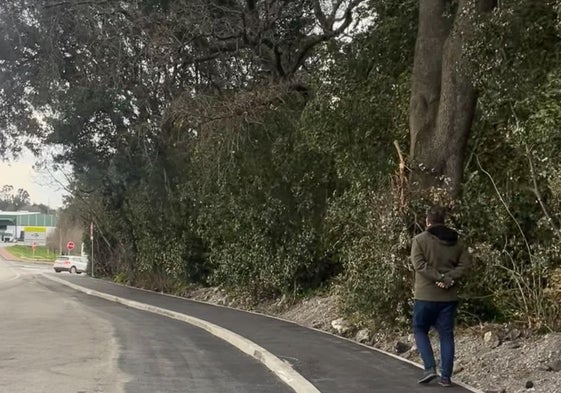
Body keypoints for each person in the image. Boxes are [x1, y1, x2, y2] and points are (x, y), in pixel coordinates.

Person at [411, 206, 472, 387]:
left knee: (419, 329)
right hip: (448, 298)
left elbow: (419, 265)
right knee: (446, 335)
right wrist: (448, 278)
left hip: (425, 295)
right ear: (443, 222)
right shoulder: (457, 243)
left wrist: (439, 277)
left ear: (427, 221)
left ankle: (430, 368)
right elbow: (464, 266)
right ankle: (446, 377)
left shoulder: (419, 240)